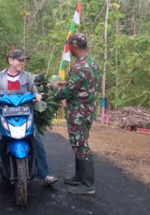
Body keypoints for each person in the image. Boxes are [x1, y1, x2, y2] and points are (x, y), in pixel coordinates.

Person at [0, 49, 58, 187]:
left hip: (25, 114)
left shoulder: (27, 77)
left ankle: (45, 174)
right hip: (4, 114)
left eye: (23, 60)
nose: (22, 63)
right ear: (10, 60)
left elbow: (34, 91)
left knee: (37, 141)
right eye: (19, 60)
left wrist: (37, 96)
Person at [48, 33, 99, 195]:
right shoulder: (91, 61)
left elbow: (67, 93)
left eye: (69, 44)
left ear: (74, 46)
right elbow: (82, 82)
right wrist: (65, 82)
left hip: (79, 112)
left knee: (81, 145)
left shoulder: (79, 66)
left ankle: (88, 185)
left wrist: (53, 88)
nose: (68, 47)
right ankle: (79, 177)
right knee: (79, 143)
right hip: (88, 109)